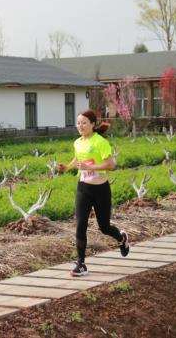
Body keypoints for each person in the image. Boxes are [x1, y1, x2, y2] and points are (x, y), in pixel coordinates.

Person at [58, 109, 130, 277]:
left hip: (100, 189)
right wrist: (67, 167)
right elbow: (78, 159)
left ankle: (121, 238)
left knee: (104, 227)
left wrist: (90, 167)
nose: (80, 126)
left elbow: (111, 164)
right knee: (80, 224)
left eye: (84, 123)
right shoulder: (77, 142)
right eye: (78, 123)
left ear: (92, 124)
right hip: (83, 188)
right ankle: (81, 263)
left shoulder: (100, 142)